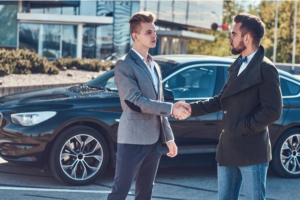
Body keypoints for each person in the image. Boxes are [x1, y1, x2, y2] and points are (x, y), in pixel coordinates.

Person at [175, 13, 282, 200]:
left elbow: (273, 111)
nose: (230, 39)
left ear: (246, 38)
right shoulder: (238, 64)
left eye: (233, 34)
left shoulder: (266, 68)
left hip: (252, 153)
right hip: (228, 149)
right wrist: (192, 109)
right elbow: (221, 100)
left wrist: (242, 128)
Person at [107, 11, 190, 200]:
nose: (154, 36)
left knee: (145, 192)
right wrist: (171, 109)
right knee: (120, 191)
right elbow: (134, 101)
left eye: (154, 32)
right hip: (132, 140)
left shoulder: (154, 65)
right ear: (135, 36)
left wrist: (168, 137)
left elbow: (158, 101)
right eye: (148, 32)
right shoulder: (124, 64)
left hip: (154, 141)